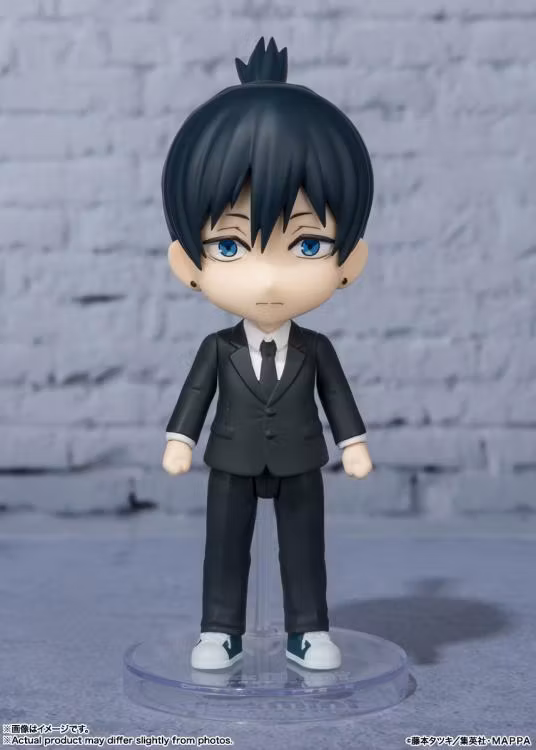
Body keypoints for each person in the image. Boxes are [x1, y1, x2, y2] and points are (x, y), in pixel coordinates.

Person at [161, 37, 374, 671]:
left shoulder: (316, 348)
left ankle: (308, 630)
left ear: (350, 262)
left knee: (304, 548)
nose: (269, 278)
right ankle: (219, 630)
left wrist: (353, 443)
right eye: (228, 247)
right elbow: (195, 396)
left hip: (302, 460)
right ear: (187, 265)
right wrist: (179, 439)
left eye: (308, 246)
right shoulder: (217, 348)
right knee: (225, 546)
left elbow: (337, 397)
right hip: (230, 459)